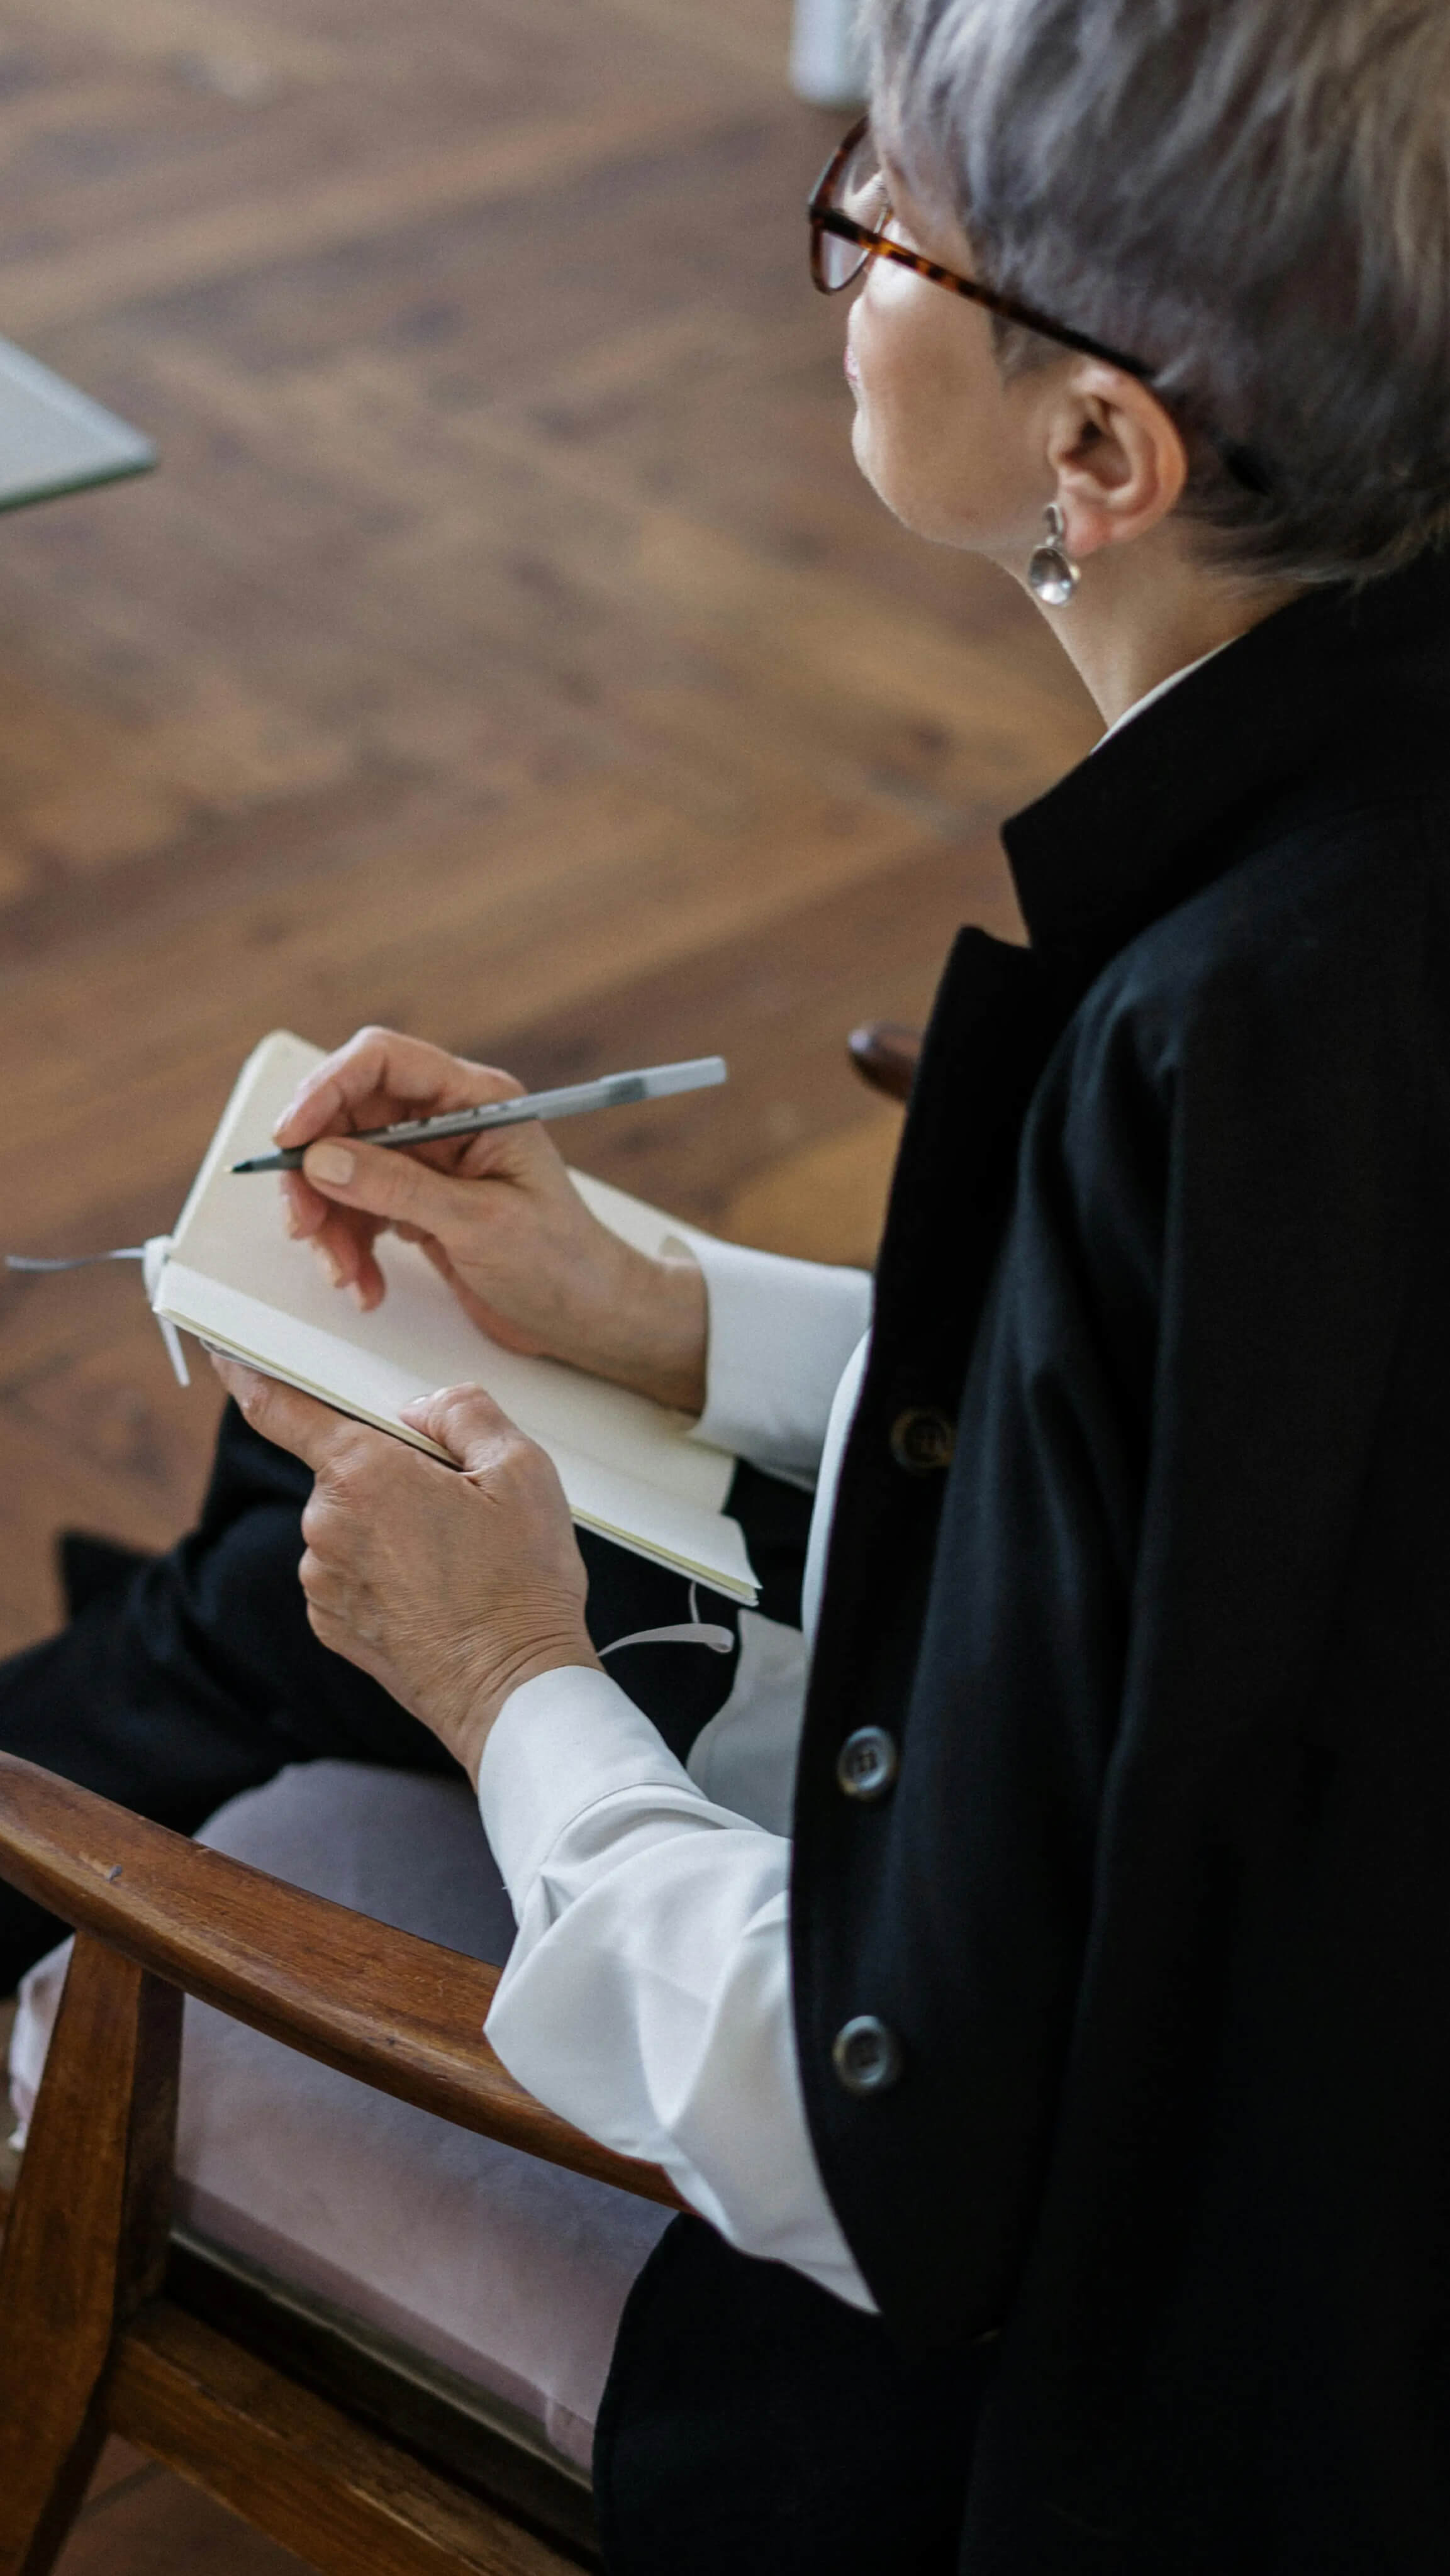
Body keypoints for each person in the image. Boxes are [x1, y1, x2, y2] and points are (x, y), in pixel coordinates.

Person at [8, 0, 1450, 2564]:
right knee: (319, 1502)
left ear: (1099, 452)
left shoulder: (1205, 1057)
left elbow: (870, 2127)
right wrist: (671, 1318)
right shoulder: (1332, 890)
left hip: (1018, 2392)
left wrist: (514, 1687)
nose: (834, 274)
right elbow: (1213, 1464)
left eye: (879, 227)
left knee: (343, 1594)